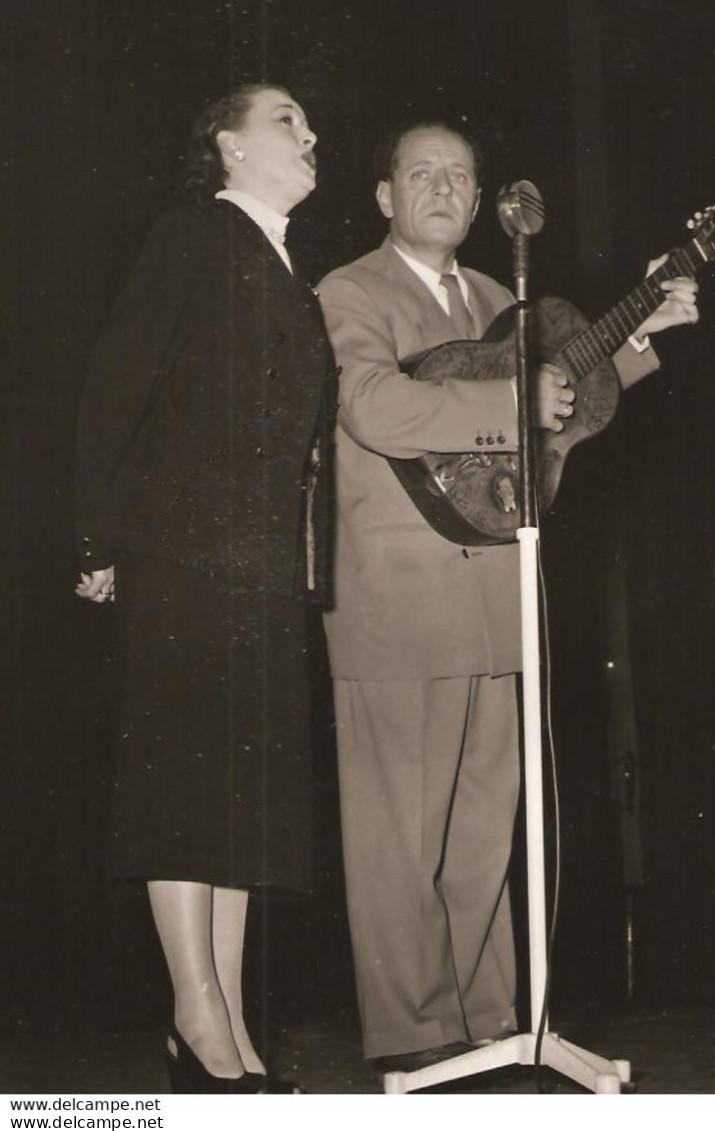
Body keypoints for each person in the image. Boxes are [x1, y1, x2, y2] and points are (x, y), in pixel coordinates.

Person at [317, 119, 699, 1070]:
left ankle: (491, 1025)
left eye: (462, 175)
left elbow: (564, 418)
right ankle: (414, 1041)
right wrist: (508, 401)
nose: (445, 188)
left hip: (501, 591)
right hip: (398, 601)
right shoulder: (347, 290)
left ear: (486, 199)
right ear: (384, 196)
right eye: (422, 173)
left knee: (489, 827)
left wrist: (643, 329)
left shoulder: (502, 298)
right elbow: (371, 406)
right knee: (401, 835)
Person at [74, 83, 336, 1093]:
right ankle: (195, 1011)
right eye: (285, 122)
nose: (309, 136)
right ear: (227, 146)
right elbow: (116, 380)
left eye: (310, 127)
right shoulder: (194, 235)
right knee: (186, 788)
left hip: (263, 566)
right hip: (188, 556)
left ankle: (219, 1020)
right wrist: (96, 536)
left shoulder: (281, 265)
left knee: (239, 803)